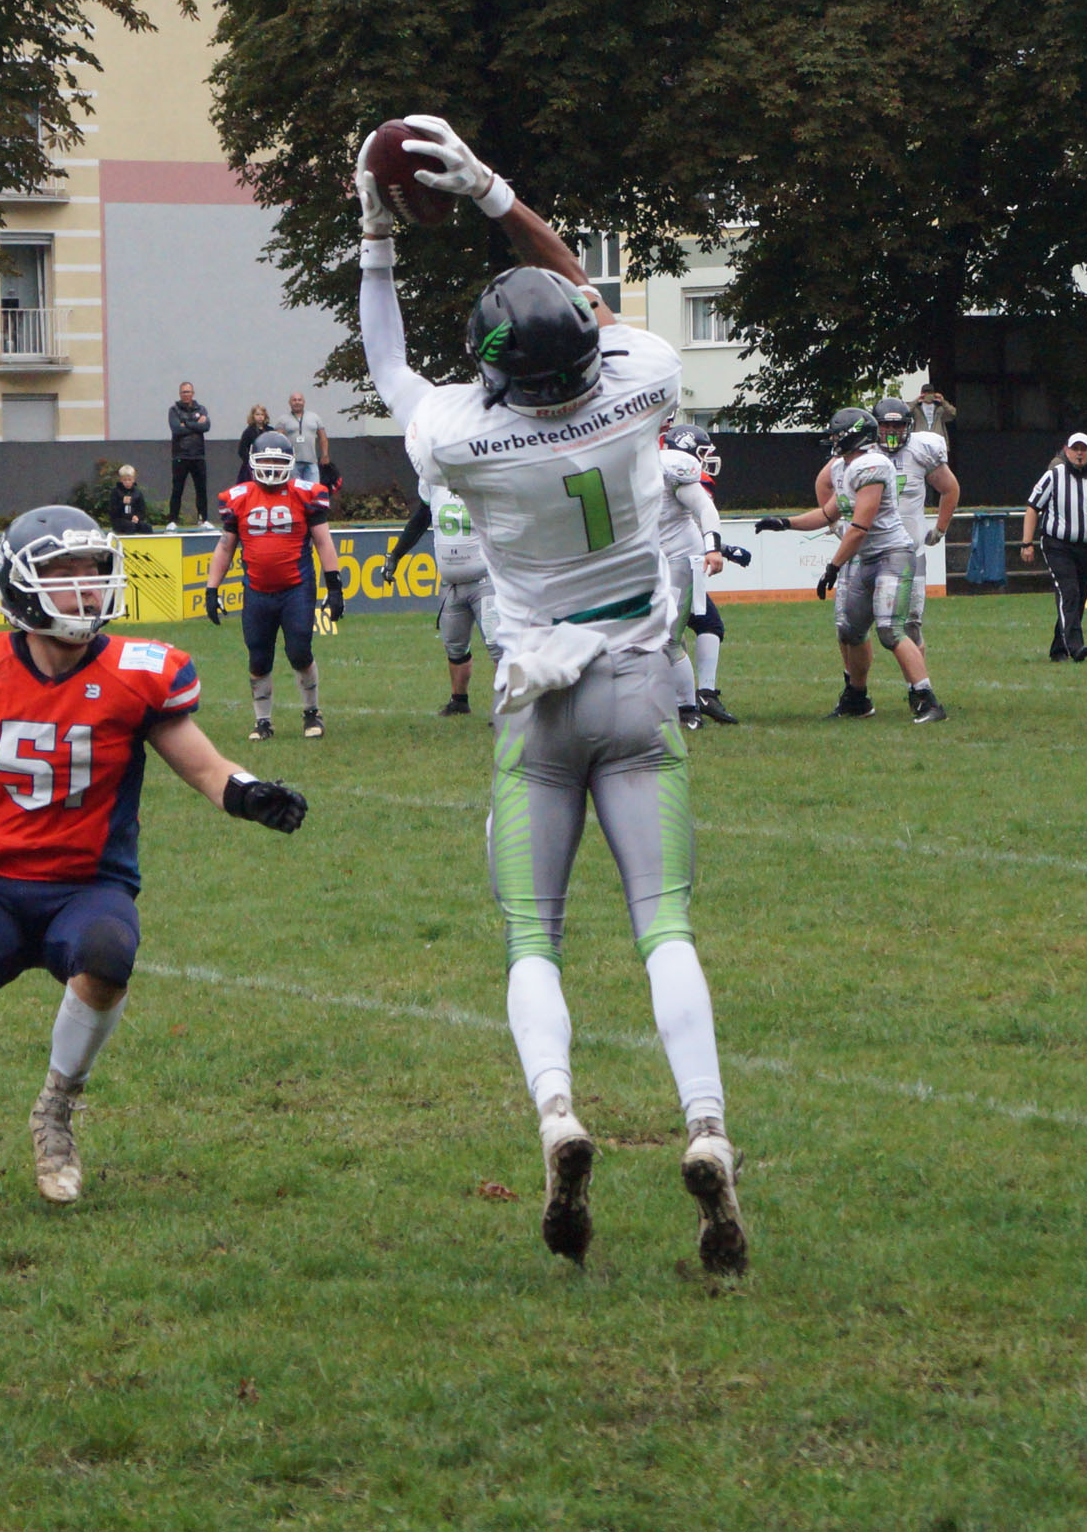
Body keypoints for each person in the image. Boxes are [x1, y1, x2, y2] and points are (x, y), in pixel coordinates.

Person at [358, 115, 746, 1272]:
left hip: (533, 694)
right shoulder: (641, 380)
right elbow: (582, 290)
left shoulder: (465, 440)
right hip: (637, 677)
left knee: (534, 933)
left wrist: (375, 238)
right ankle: (706, 1125)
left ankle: (557, 1112)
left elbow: (387, 368)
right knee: (663, 924)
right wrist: (491, 193)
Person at [0, 505, 307, 1239]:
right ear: (20, 587)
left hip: (88, 887)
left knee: (107, 954)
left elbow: (205, 766)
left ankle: (55, 1108)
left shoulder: (138, 672)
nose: (84, 589)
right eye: (62, 573)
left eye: (92, 572)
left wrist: (248, 793)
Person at [760, 410, 948, 723]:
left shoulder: (871, 465)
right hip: (868, 557)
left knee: (890, 630)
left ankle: (926, 699)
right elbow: (829, 513)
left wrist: (833, 567)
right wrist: (784, 523)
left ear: (854, 434)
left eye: (838, 434)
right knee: (851, 630)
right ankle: (857, 699)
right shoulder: (844, 468)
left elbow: (860, 527)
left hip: (892, 554)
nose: (834, 440)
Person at [202, 429, 344, 741]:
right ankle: (263, 721)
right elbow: (226, 546)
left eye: (276, 461)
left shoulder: (306, 493)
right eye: (265, 460)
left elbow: (323, 542)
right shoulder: (238, 498)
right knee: (258, 656)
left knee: (299, 651)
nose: (270, 466)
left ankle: (311, 712)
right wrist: (212, 588)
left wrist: (334, 586)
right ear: (253, 461)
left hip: (296, 587)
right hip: (256, 589)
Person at [372, 464, 498, 717]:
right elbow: (421, 519)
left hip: (486, 579)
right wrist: (396, 554)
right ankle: (459, 700)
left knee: (498, 646)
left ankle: (509, 708)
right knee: (454, 645)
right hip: (451, 583)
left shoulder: (485, 475)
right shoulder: (432, 477)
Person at [658, 425, 747, 726]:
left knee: (669, 637)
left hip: (680, 559)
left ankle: (688, 710)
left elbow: (705, 510)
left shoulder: (675, 468)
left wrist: (716, 548)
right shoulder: (647, 465)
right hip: (653, 560)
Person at [1021, 434, 1087, 663]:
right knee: (1069, 591)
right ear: (1066, 451)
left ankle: (1058, 649)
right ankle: (1075, 646)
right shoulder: (1053, 476)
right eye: (1075, 448)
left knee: (1079, 596)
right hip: (1057, 545)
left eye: (1083, 449)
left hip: (1086, 547)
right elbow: (1032, 508)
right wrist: (1027, 543)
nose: (1079, 453)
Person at [873, 396, 961, 647]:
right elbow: (830, 483)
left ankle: (918, 684)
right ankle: (855, 681)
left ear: (908, 426)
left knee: (912, 623)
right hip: (870, 552)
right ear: (875, 426)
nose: (891, 431)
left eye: (898, 426)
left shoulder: (921, 449)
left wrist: (940, 529)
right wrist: (838, 523)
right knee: (853, 624)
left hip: (911, 551)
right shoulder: (863, 451)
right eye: (886, 426)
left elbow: (950, 488)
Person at [167, 382, 212, 528]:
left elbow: (206, 427)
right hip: (180, 455)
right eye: (183, 392)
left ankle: (203, 519)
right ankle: (173, 520)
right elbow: (176, 429)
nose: (186, 394)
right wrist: (195, 424)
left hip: (198, 455)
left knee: (201, 489)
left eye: (188, 392)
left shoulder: (201, 409)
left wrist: (185, 423)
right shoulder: (174, 410)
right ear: (180, 394)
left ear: (193, 393)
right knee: (177, 489)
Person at [276, 392, 330, 486]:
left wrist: (325, 454)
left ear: (304, 402)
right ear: (289, 403)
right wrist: (280, 462)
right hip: (292, 463)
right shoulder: (283, 420)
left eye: (299, 400)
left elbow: (323, 437)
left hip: (311, 462)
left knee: (313, 491)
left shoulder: (314, 417)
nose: (297, 402)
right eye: (294, 400)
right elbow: (278, 441)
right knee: (295, 492)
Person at [234, 403, 273, 487]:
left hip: (268, 463)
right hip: (252, 465)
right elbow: (242, 449)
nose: (260, 417)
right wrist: (249, 462)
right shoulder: (248, 432)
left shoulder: (270, 430)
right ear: (253, 416)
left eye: (262, 414)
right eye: (257, 414)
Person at [108, 465, 152, 535]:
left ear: (133, 479)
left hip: (133, 519)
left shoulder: (137, 493)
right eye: (125, 480)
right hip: (119, 521)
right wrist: (122, 503)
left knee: (147, 527)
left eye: (129, 480)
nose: (127, 482)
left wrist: (137, 517)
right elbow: (112, 511)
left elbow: (142, 510)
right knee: (130, 526)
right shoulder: (115, 492)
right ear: (121, 480)